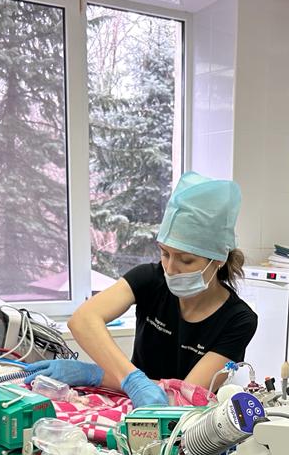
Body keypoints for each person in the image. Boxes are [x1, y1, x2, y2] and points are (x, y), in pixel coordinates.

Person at [26, 172, 258, 409]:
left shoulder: (238, 320)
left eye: (186, 260)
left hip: (183, 419)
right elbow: (83, 320)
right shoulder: (150, 278)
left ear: (218, 259)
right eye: (165, 253)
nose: (170, 269)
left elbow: (185, 395)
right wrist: (130, 380)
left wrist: (99, 375)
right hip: (129, 401)